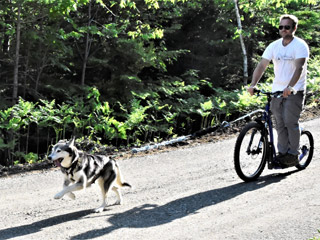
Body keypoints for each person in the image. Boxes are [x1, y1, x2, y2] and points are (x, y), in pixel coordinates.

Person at [248, 14, 309, 167]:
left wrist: (290, 87)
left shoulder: (300, 45)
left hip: (295, 90)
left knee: (289, 121)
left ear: (294, 28)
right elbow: (262, 65)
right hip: (277, 90)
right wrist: (253, 84)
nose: (283, 30)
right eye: (281, 27)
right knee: (279, 123)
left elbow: (299, 68)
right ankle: (283, 154)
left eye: (287, 27)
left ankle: (293, 154)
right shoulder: (274, 46)